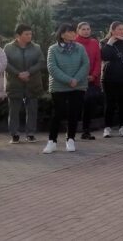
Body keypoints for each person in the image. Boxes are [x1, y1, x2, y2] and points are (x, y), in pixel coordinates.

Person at [43, 23, 89, 154]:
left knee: (74, 113)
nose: (74, 34)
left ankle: (71, 139)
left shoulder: (80, 48)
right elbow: (52, 68)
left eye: (74, 31)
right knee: (58, 113)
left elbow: (85, 64)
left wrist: (76, 79)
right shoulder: (53, 49)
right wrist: (69, 80)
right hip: (59, 86)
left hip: (78, 86)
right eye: (70, 32)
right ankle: (52, 141)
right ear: (62, 34)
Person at [3, 24, 46, 144]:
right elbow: (5, 63)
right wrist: (18, 74)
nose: (29, 36)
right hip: (15, 83)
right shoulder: (8, 48)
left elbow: (41, 62)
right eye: (26, 34)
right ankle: (14, 134)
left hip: (32, 82)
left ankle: (30, 133)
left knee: (32, 109)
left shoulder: (36, 47)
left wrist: (28, 72)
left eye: (30, 34)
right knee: (14, 110)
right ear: (18, 35)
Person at [100, 22, 123, 138]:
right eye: (119, 29)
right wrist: (110, 43)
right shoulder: (105, 42)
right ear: (112, 30)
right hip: (109, 77)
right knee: (109, 103)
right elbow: (105, 56)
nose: (121, 31)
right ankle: (107, 128)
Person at [74, 22, 101, 141]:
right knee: (76, 106)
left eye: (88, 29)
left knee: (89, 106)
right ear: (78, 31)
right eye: (83, 29)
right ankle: (71, 132)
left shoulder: (94, 43)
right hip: (77, 80)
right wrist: (82, 76)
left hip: (91, 80)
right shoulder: (74, 43)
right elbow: (73, 63)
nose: (86, 31)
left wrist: (94, 75)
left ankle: (86, 131)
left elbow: (97, 61)